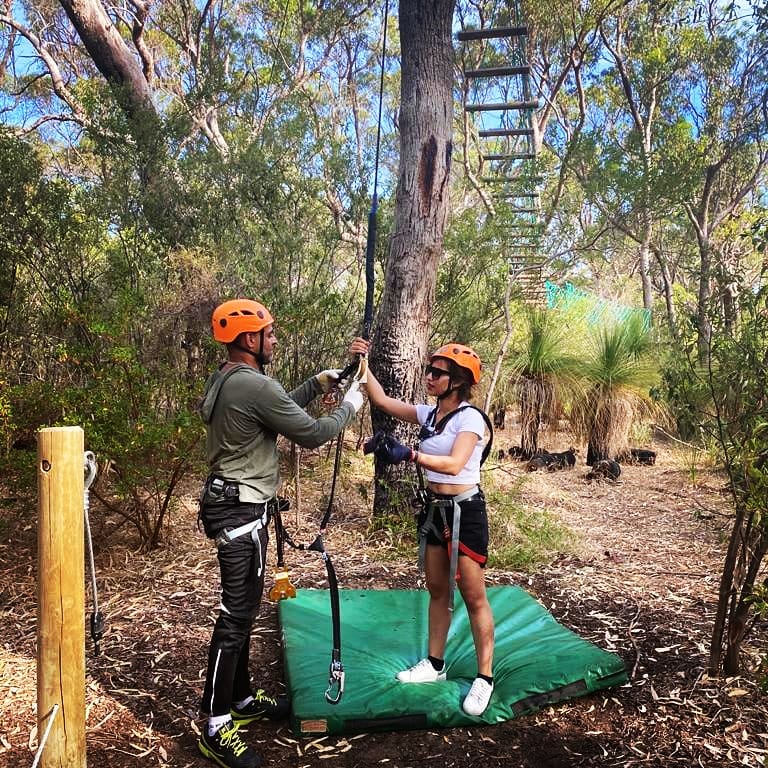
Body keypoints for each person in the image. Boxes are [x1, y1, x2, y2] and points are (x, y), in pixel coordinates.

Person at [197, 299, 364, 768]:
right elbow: (309, 432)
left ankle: (243, 700)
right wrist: (349, 405)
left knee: (245, 609)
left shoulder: (230, 377)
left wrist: (317, 382)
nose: (273, 340)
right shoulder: (252, 384)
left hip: (238, 506)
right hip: (240, 512)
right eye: (268, 335)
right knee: (235, 616)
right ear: (249, 340)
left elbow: (273, 409)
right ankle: (214, 723)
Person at [356, 340, 495, 717]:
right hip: (435, 510)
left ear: (458, 381)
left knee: (472, 594)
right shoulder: (431, 414)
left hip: (465, 511)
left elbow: (454, 464)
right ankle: (435, 664)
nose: (429, 378)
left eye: (437, 373)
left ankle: (485, 678)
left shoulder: (470, 419)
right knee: (437, 589)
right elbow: (383, 401)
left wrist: (410, 454)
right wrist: (362, 363)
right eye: (429, 371)